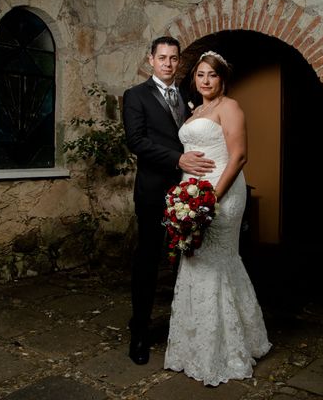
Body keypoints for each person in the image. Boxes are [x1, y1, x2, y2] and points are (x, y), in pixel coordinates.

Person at [164, 51, 271, 386]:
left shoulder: (230, 107)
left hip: (221, 193)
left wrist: (212, 197)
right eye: (200, 75)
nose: (205, 81)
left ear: (222, 79)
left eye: (212, 75)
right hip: (190, 193)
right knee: (193, 259)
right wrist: (188, 193)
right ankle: (193, 347)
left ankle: (226, 348)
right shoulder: (196, 110)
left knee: (217, 259)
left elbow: (238, 156)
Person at [122, 36, 215, 365]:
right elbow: (136, 141)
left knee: (190, 259)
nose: (168, 63)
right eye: (162, 57)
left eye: (174, 58)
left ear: (179, 61)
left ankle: (187, 329)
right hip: (153, 190)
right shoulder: (135, 96)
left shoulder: (190, 95)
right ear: (151, 60)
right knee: (148, 259)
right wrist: (178, 160)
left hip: (189, 190)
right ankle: (140, 332)